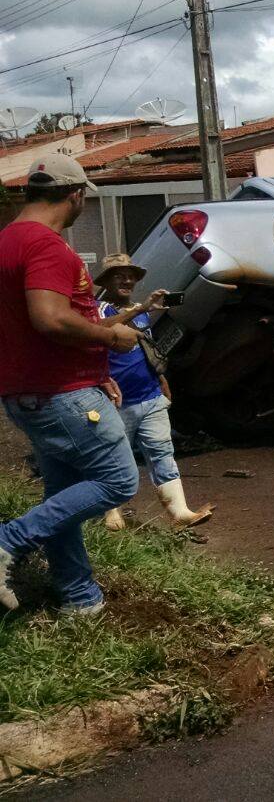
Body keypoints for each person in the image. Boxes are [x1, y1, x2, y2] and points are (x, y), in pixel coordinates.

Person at [0, 153, 142, 615]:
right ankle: (8, 542)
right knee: (119, 481)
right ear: (76, 195)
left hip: (31, 390)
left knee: (63, 496)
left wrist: (97, 370)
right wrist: (112, 337)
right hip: (59, 394)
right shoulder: (46, 246)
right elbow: (49, 319)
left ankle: (79, 597)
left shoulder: (6, 241)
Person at [94, 254, 212, 531]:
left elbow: (147, 347)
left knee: (162, 452)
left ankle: (180, 513)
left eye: (131, 275)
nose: (127, 280)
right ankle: (111, 514)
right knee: (113, 457)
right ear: (107, 281)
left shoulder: (142, 310)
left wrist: (160, 377)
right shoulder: (99, 309)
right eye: (119, 275)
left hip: (149, 396)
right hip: (115, 403)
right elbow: (97, 331)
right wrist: (138, 310)